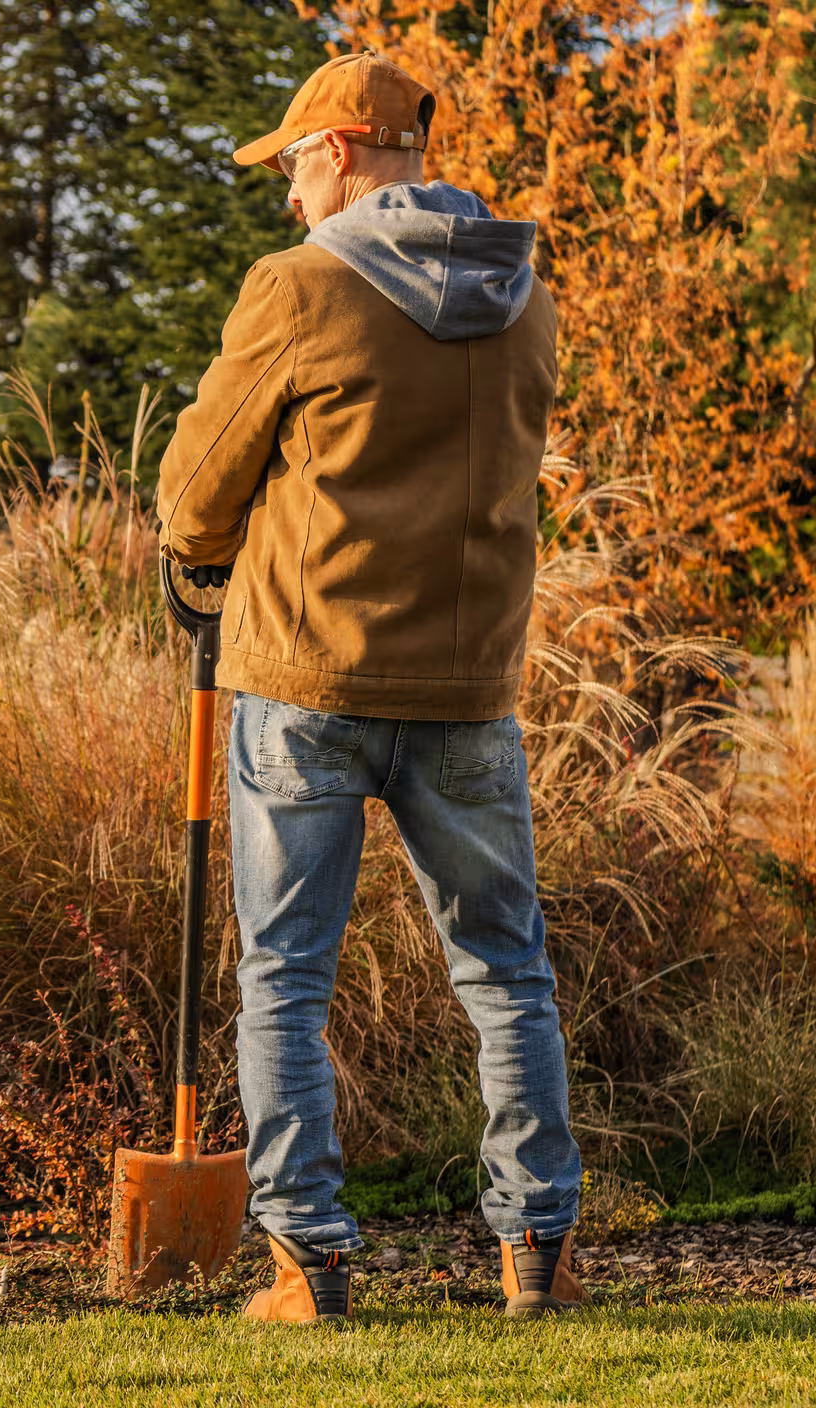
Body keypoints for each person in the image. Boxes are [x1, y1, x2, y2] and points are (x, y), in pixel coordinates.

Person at [155, 52, 584, 1324]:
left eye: (292, 167)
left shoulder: (298, 289)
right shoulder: (528, 300)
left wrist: (192, 561)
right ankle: (538, 1255)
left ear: (341, 149)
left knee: (286, 975)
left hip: (308, 682)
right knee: (507, 974)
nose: (288, 195)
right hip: (467, 692)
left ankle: (308, 1262)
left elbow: (195, 487)